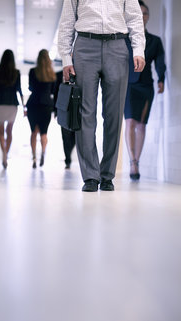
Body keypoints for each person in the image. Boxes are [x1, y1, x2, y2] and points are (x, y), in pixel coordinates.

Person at [58, 0, 146, 192]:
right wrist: (66, 58)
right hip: (84, 46)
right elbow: (66, 21)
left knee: (114, 115)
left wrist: (139, 50)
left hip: (117, 46)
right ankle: (90, 176)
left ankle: (107, 175)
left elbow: (134, 17)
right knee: (84, 114)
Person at [124, 0, 166, 180]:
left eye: (145, 14)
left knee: (141, 124)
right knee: (130, 123)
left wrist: (161, 79)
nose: (142, 17)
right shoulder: (124, 38)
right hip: (127, 85)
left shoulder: (155, 41)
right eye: (138, 13)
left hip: (146, 85)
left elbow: (161, 62)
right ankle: (132, 160)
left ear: (148, 17)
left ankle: (136, 162)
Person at [0, 49, 24, 169]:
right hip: (12, 104)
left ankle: (4, 154)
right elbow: (19, 90)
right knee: (9, 131)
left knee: (0, 132)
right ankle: (7, 153)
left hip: (0, 103)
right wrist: (24, 105)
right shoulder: (16, 72)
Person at [26, 49, 56, 169]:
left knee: (34, 131)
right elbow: (53, 91)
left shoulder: (33, 72)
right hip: (47, 105)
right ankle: (43, 153)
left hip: (33, 104)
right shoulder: (52, 74)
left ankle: (34, 157)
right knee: (44, 133)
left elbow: (30, 87)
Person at [54, 70, 76, 169]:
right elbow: (55, 93)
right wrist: (56, 110)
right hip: (63, 109)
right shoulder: (58, 75)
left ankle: (68, 155)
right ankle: (68, 159)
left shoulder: (82, 72)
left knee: (75, 136)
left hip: (77, 109)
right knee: (65, 136)